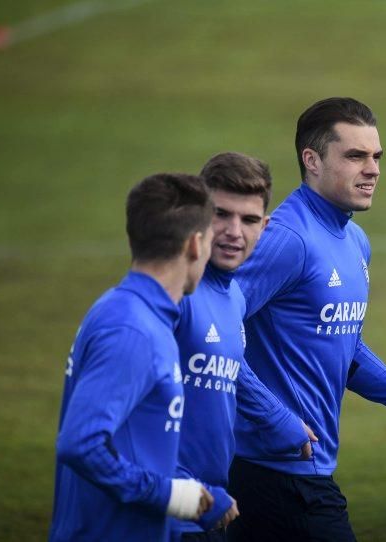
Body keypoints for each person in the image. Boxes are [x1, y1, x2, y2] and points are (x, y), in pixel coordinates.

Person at [226, 97, 386, 542]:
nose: (373, 169)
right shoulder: (288, 240)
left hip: (300, 463)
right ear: (312, 160)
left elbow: (343, 346)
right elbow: (208, 331)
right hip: (270, 467)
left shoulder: (355, 239)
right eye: (355, 156)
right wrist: (274, 417)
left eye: (376, 157)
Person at [50, 173, 229, 541]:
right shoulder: (133, 331)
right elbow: (79, 443)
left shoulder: (128, 311)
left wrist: (193, 494)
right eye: (211, 239)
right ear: (195, 244)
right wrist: (167, 495)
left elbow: (132, 444)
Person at [170, 153, 316, 541]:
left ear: (265, 227)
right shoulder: (171, 297)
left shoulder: (234, 297)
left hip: (210, 508)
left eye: (249, 219)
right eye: (222, 214)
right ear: (195, 215)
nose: (235, 231)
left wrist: (278, 419)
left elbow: (229, 371)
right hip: (166, 512)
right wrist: (190, 499)